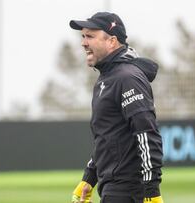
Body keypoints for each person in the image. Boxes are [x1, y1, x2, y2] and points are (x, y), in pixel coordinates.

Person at [69, 12, 164, 203]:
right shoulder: (107, 79)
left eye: (90, 36)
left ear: (111, 41)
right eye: (83, 36)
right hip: (112, 187)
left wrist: (152, 192)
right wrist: (89, 178)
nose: (83, 43)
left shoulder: (127, 78)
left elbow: (146, 133)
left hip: (127, 190)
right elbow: (109, 137)